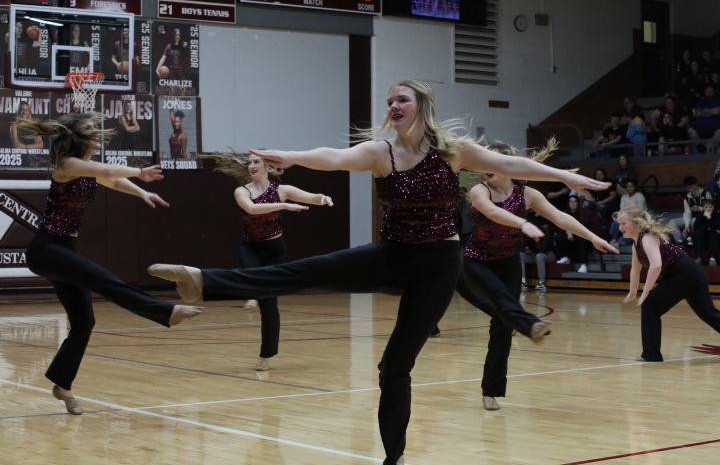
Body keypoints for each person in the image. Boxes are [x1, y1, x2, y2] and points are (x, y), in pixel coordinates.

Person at [146, 80, 610, 465]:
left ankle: (395, 459)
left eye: (402, 99)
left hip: (437, 265)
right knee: (308, 271)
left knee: (394, 368)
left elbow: (510, 163)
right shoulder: (379, 152)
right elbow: (332, 156)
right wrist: (289, 155)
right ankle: (203, 280)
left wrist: (567, 177)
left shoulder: (452, 153)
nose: (393, 106)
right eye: (390, 101)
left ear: (422, 107)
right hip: (392, 253)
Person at [14, 112, 203, 416]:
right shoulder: (69, 164)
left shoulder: (86, 168)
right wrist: (140, 172)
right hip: (47, 248)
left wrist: (142, 191)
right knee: (103, 279)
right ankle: (166, 310)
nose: (98, 133)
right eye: (90, 130)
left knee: (85, 321)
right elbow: (107, 169)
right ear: (78, 139)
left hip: (63, 248)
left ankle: (62, 384)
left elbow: (112, 179)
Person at [460, 139, 617, 411]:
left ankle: (491, 390)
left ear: (508, 164)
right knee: (499, 299)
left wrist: (592, 237)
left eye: (492, 161)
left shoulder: (527, 194)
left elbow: (561, 218)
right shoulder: (478, 190)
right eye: (483, 162)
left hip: (509, 262)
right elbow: (491, 212)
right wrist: (522, 222)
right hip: (477, 262)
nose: (487, 167)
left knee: (501, 327)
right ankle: (530, 324)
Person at [201, 150, 334, 371]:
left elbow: (311, 197)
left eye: (256, 162)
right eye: (249, 163)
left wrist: (322, 198)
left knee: (270, 304)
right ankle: (253, 293)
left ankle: (265, 354)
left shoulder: (282, 190)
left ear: (267, 166)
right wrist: (283, 206)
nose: (252, 166)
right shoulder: (242, 191)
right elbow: (252, 210)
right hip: (250, 247)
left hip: (274, 249)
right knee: (253, 276)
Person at [618, 206, 720, 362]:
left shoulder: (647, 238)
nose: (620, 227)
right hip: (691, 274)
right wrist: (632, 292)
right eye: (619, 224)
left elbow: (656, 266)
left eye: (624, 223)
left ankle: (652, 355)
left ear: (636, 223)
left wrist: (645, 292)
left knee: (650, 307)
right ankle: (651, 354)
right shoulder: (636, 244)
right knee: (710, 314)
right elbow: (635, 269)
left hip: (684, 274)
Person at [555, 195, 601, 273]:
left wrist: (587, 231)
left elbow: (596, 222)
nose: (572, 204)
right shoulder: (565, 213)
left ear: (578, 203)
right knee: (559, 236)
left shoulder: (584, 211)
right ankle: (566, 257)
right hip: (570, 237)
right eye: (571, 202)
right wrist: (568, 231)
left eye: (575, 201)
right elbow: (560, 225)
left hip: (583, 236)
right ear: (568, 203)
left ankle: (584, 265)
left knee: (582, 237)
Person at [670, 175, 713, 246]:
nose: (691, 190)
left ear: (696, 185)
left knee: (694, 220)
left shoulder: (706, 194)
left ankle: (693, 239)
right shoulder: (687, 199)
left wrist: (699, 208)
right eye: (689, 188)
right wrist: (687, 226)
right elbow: (687, 213)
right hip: (690, 218)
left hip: (704, 218)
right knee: (672, 222)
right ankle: (681, 243)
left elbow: (711, 209)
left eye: (692, 187)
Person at [609, 179, 646, 246]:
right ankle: (614, 238)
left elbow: (641, 211)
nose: (630, 188)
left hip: (639, 219)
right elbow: (621, 210)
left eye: (631, 186)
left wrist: (630, 217)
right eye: (628, 187)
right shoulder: (624, 197)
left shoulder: (639, 196)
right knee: (617, 216)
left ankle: (618, 243)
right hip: (626, 218)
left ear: (635, 187)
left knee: (631, 228)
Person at [688, 84, 720, 153]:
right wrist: (712, 111)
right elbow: (698, 113)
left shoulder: (718, 101)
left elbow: (717, 111)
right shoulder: (701, 102)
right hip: (702, 126)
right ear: (705, 93)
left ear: (714, 92)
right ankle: (700, 148)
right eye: (707, 91)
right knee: (690, 130)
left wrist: (705, 110)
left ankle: (713, 148)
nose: (709, 92)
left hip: (716, 126)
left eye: (711, 91)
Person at [692, 199, 720, 266]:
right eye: (706, 207)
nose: (708, 209)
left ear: (713, 207)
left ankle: (712, 258)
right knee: (699, 232)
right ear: (703, 208)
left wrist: (709, 218)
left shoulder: (717, 215)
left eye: (710, 207)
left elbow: (716, 228)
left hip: (714, 239)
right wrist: (708, 228)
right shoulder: (700, 215)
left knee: (713, 233)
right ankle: (698, 257)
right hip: (703, 239)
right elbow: (695, 227)